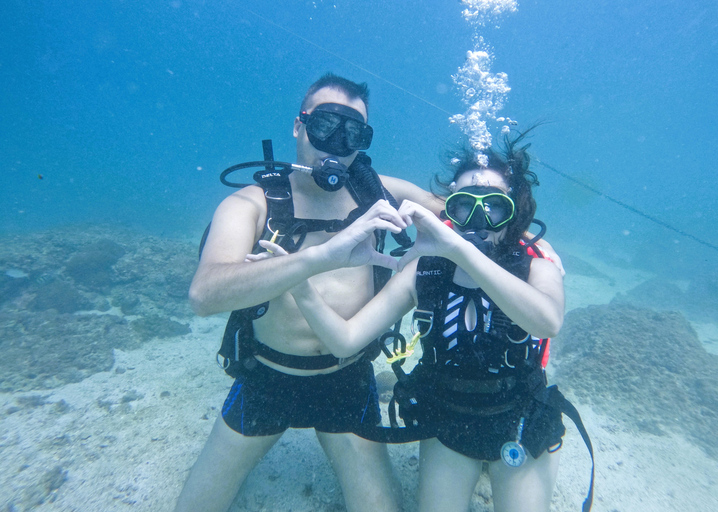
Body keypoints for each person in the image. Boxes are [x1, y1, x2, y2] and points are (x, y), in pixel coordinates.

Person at [175, 73, 442, 512]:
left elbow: (467, 211)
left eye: (353, 132)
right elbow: (204, 294)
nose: (337, 142)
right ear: (298, 126)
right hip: (265, 377)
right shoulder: (253, 203)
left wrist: (531, 241)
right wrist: (321, 257)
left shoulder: (379, 192)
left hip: (349, 377)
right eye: (324, 126)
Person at [274, 132, 567, 512]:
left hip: (520, 420)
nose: (478, 220)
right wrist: (303, 290)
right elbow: (345, 341)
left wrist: (457, 247)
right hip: (448, 423)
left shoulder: (537, 268)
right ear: (450, 212)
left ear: (515, 211)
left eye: (494, 207)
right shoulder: (423, 273)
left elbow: (546, 322)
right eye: (464, 207)